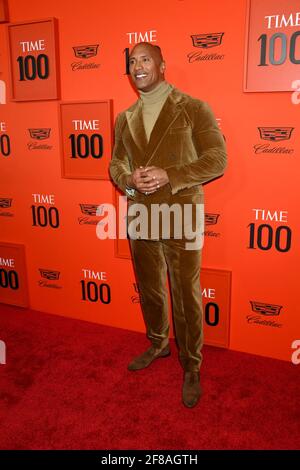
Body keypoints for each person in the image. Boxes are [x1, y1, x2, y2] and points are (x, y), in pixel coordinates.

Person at [109, 42, 227, 408]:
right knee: (151, 288)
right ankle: (158, 343)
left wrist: (168, 175)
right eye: (132, 62)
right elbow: (115, 165)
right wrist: (129, 181)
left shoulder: (192, 108)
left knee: (185, 292)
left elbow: (217, 159)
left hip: (181, 211)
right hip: (141, 213)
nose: (138, 66)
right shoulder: (124, 118)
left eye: (145, 59)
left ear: (162, 64)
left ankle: (192, 364)